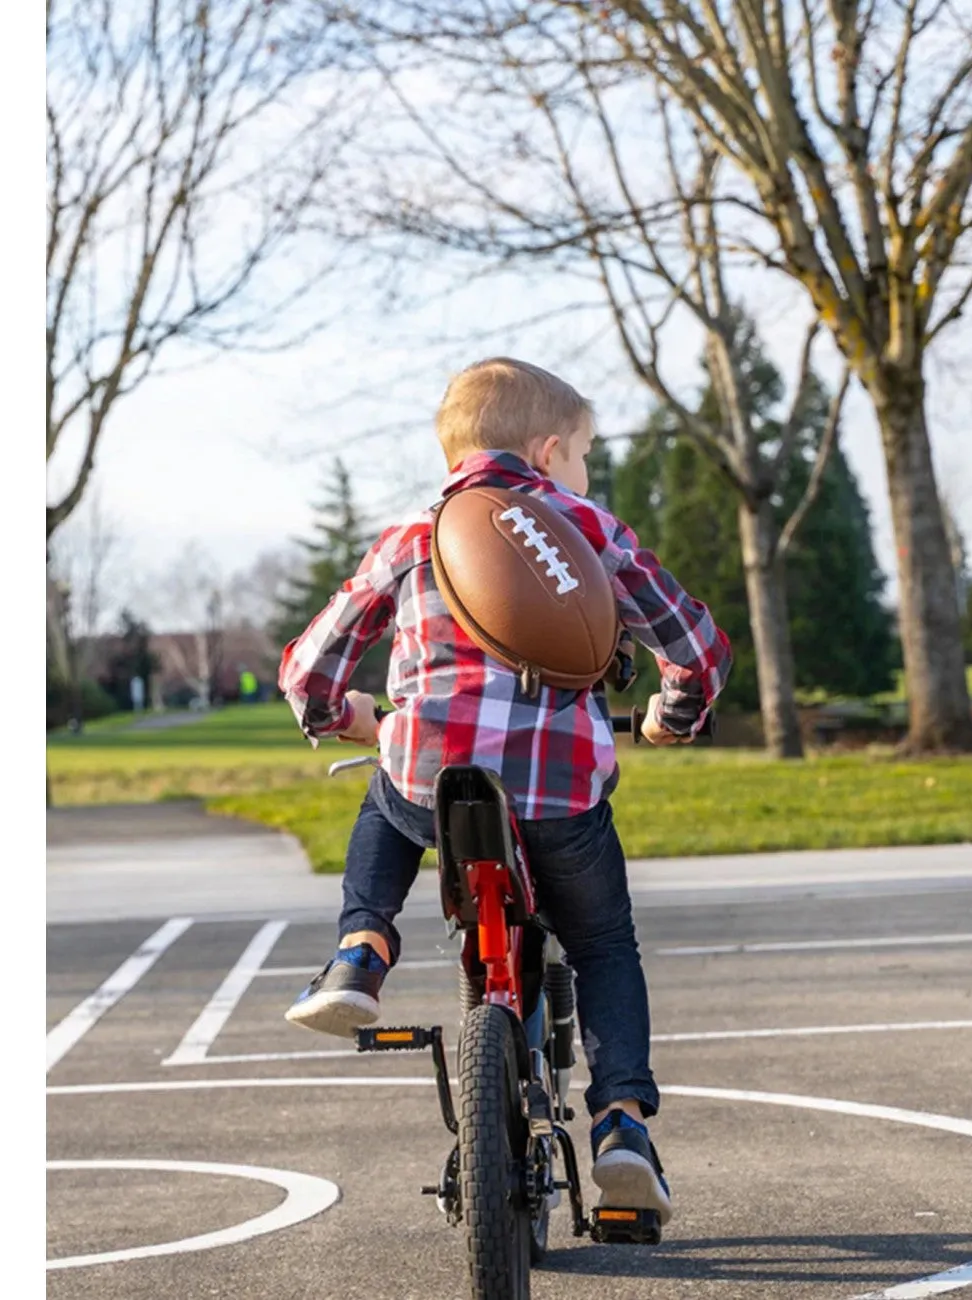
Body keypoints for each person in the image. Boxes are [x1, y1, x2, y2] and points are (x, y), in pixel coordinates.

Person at [278, 357, 731, 1225]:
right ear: (550, 449)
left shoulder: (415, 532)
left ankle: (360, 951)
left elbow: (310, 665)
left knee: (385, 801)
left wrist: (342, 714)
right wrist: (675, 713)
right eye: (586, 455)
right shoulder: (588, 525)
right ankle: (623, 1126)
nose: (586, 471)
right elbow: (697, 646)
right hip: (558, 798)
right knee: (602, 944)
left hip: (431, 782)